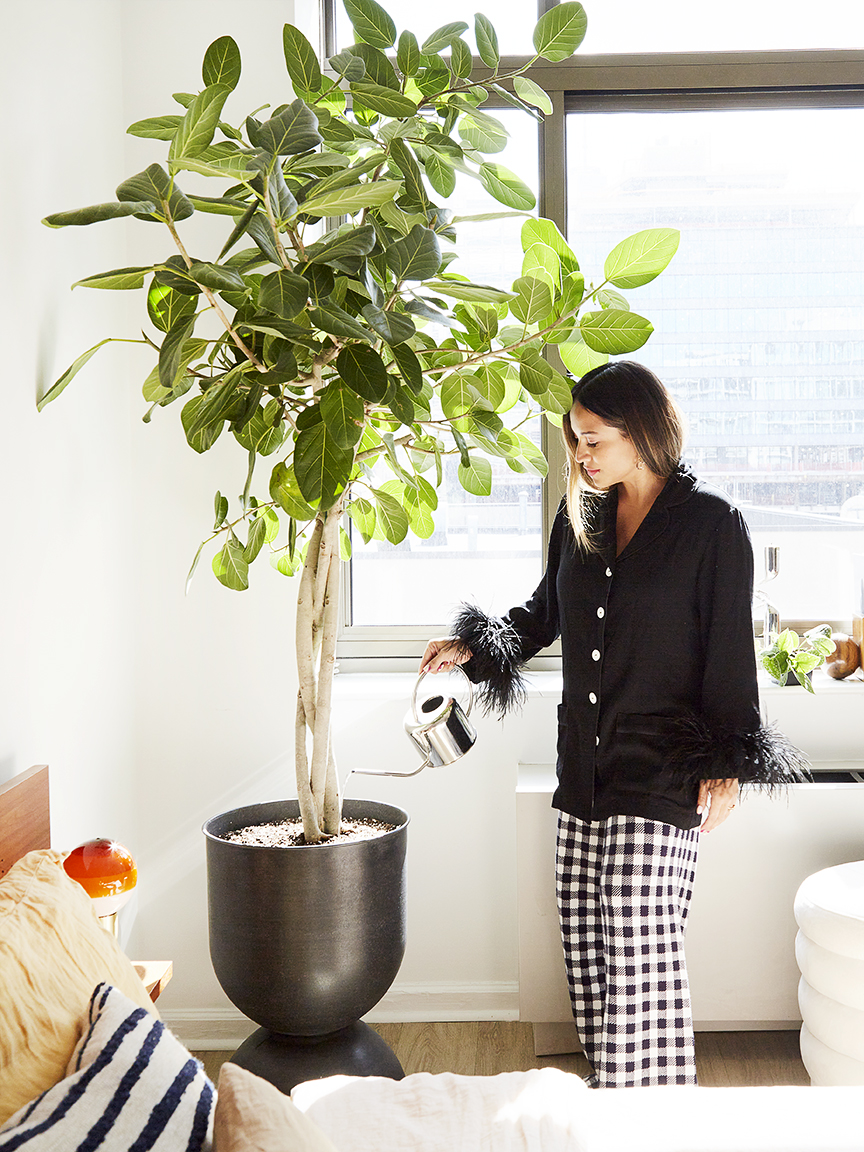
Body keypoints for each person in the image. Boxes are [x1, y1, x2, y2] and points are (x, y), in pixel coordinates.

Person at [420, 360, 806, 1089]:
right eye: (574, 442)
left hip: (664, 773)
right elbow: (542, 615)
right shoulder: (581, 517)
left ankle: (651, 1118)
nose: (581, 457)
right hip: (585, 772)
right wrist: (474, 648)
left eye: (593, 440)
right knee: (590, 953)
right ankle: (614, 1113)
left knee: (641, 958)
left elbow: (730, 650)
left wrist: (728, 764)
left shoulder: (712, 525)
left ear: (643, 433)